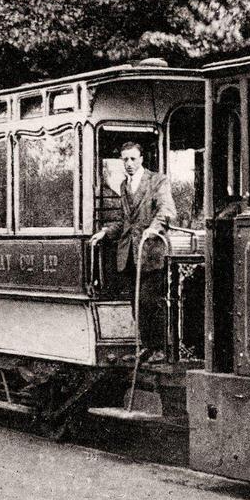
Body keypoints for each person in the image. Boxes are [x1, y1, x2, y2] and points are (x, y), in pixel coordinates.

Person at [92, 142, 175, 363]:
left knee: (150, 300)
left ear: (141, 159)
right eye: (125, 159)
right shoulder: (123, 186)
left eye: (132, 159)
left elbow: (166, 210)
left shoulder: (158, 180)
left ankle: (159, 349)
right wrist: (106, 232)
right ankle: (146, 347)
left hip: (151, 251)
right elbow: (125, 221)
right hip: (129, 252)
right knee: (136, 302)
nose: (128, 164)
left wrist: (153, 229)